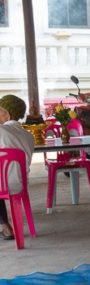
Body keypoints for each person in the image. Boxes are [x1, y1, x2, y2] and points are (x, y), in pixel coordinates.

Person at [0, 95, 35, 240]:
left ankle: (5, 226)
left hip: (3, 184)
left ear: (7, 113)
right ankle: (4, 225)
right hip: (20, 184)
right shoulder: (28, 135)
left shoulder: (2, 131)